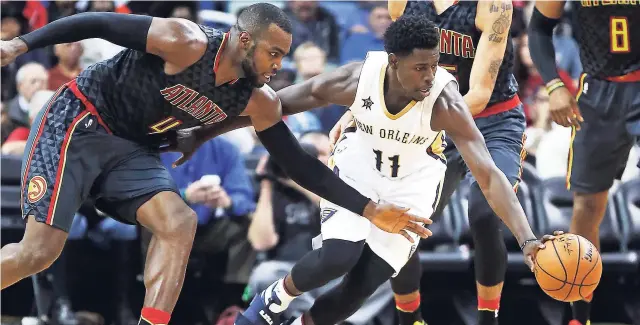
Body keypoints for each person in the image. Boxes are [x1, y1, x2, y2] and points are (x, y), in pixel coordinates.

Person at [0, 4, 430, 325]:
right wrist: (22, 45)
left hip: (132, 146)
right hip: (81, 119)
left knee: (179, 222)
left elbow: (299, 165)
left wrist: (370, 210)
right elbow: (97, 23)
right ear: (245, 41)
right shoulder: (185, 42)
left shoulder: (257, 99)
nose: (280, 65)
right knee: (38, 253)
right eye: (273, 53)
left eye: (285, 55)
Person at [227, 14, 552, 325]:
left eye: (435, 65)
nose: (429, 76)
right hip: (359, 170)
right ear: (393, 61)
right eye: (420, 67)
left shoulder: (445, 102)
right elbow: (272, 105)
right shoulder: (357, 79)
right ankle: (274, 299)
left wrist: (527, 240)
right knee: (338, 257)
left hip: (412, 188)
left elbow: (489, 174)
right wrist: (206, 130)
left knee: (357, 292)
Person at [343, 1, 525, 324]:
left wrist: (417, 123)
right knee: (404, 219)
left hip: (492, 120)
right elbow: (391, 69)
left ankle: (488, 318)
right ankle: (410, 318)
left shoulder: (493, 5)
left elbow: (480, 94)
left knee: (484, 212)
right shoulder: (404, 3)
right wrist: (355, 112)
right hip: (430, 120)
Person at [528, 2, 640, 325]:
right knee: (587, 207)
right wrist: (554, 85)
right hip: (598, 91)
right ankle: (579, 318)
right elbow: (537, 29)